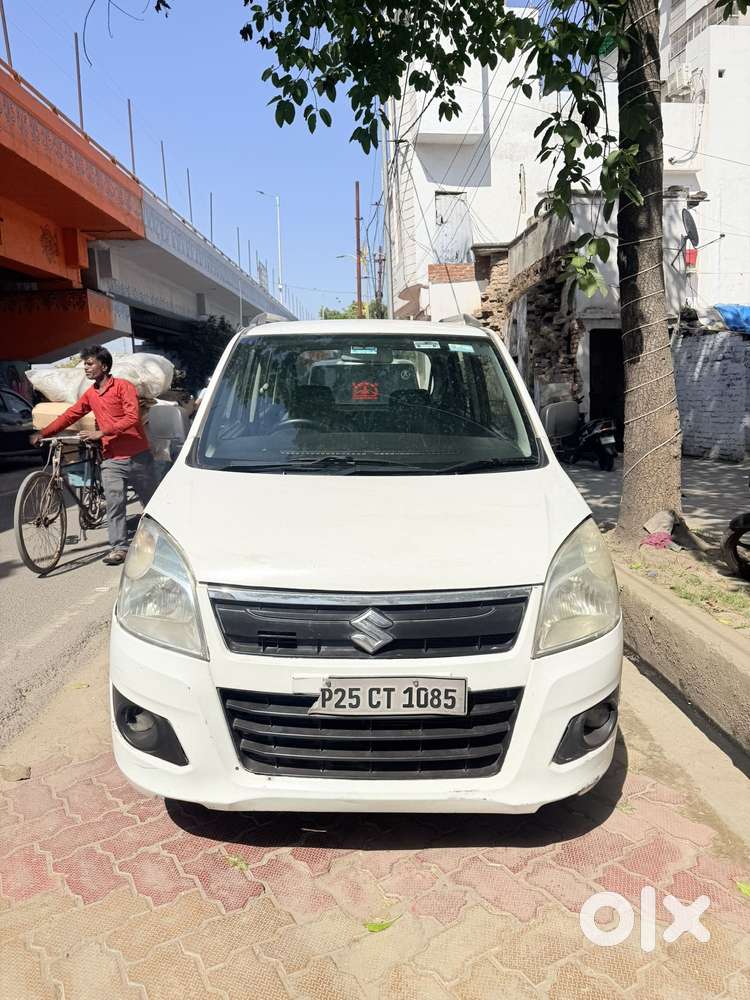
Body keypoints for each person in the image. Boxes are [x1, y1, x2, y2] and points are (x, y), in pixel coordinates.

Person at [30, 345, 157, 566]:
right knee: (115, 504)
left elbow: (132, 417)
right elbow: (70, 415)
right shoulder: (91, 394)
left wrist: (102, 432)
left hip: (138, 456)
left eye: (90, 364)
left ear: (104, 366)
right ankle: (119, 547)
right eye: (85, 364)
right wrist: (44, 432)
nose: (86, 369)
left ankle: (162, 541)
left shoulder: (123, 387)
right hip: (111, 458)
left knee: (152, 503)